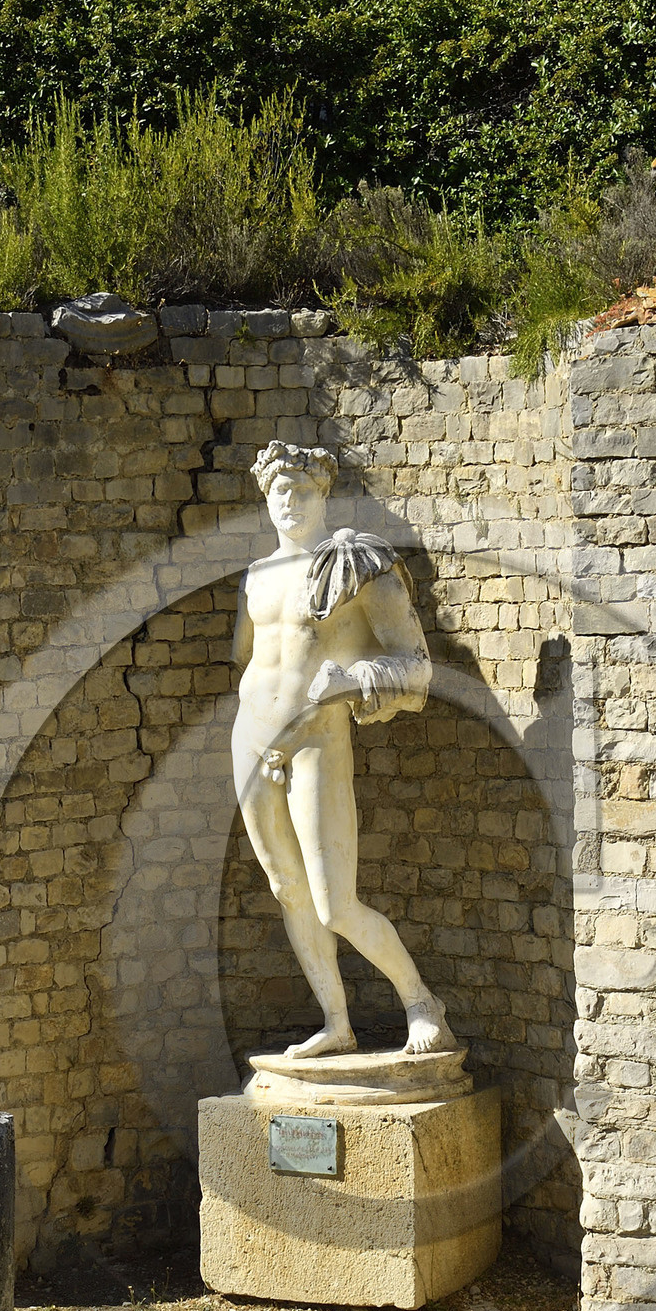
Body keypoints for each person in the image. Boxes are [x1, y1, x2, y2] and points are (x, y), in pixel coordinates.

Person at [232, 441, 455, 1057]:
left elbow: (419, 668)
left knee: (335, 903)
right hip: (251, 739)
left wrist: (354, 681)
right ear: (265, 498)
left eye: (301, 489)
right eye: (279, 490)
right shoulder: (256, 576)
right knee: (287, 888)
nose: (289, 501)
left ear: (323, 494)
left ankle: (422, 1004)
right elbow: (251, 661)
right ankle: (337, 1023)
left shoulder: (357, 564)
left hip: (317, 739)